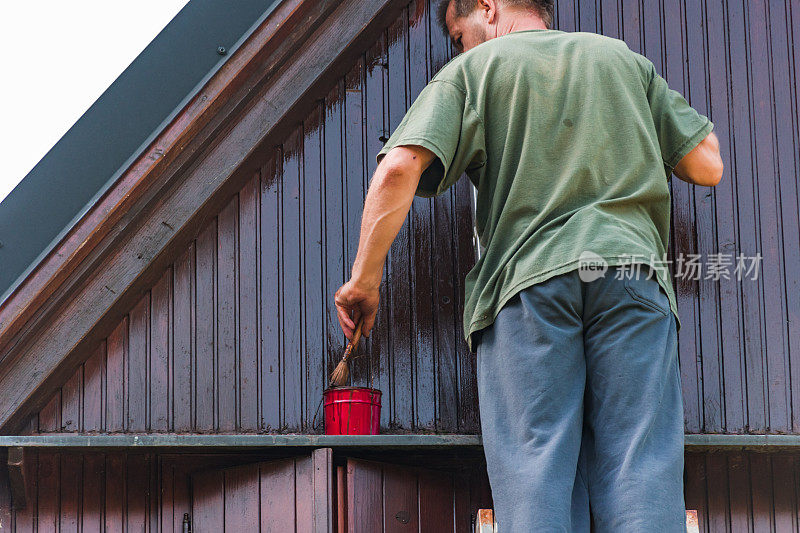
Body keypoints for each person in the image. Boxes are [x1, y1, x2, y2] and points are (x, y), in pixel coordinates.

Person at [334, 0, 724, 530]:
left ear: (488, 8)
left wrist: (364, 282)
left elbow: (400, 166)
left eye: (458, 35)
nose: (461, 48)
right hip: (631, 277)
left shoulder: (475, 71)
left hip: (529, 284)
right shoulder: (622, 61)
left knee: (537, 475)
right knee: (642, 472)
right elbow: (707, 165)